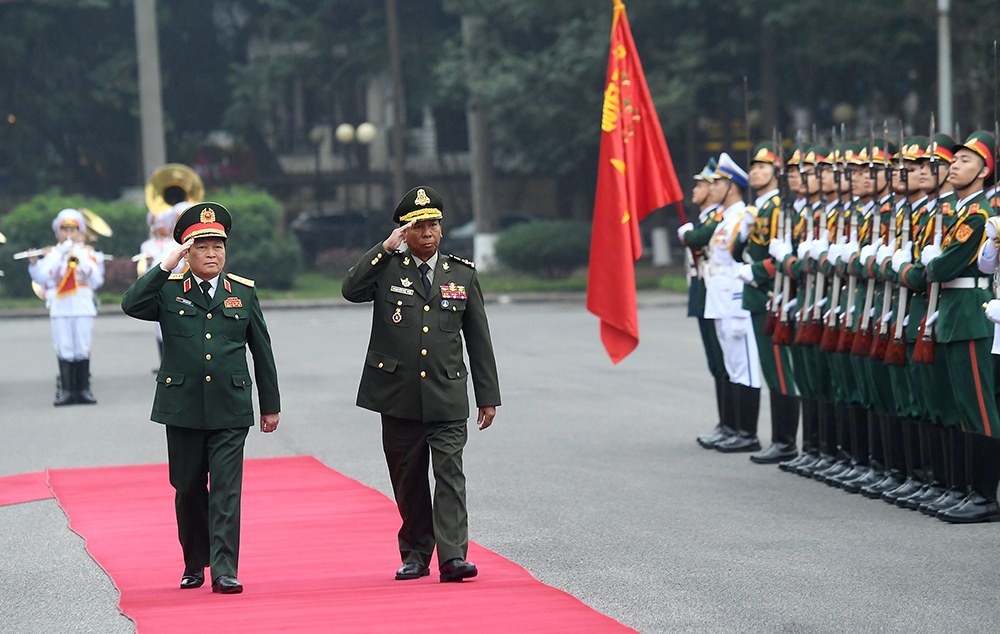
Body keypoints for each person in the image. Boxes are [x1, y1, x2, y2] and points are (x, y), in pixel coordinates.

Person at [342, 186, 501, 583]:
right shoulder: (387, 269)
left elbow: (478, 340)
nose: (428, 232)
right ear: (404, 232)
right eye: (418, 226)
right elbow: (351, 290)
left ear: (442, 230)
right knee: (408, 478)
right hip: (398, 395)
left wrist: (488, 396)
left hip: (447, 393)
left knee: (449, 474)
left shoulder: (461, 274)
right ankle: (415, 552)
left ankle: (452, 557)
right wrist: (384, 248)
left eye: (433, 225)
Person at [121, 202, 281, 593]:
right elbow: (130, 304)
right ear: (187, 252)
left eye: (218, 247)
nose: (212, 254)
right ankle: (195, 562)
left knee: (226, 490)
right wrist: (165, 265)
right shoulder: (168, 290)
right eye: (202, 247)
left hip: (230, 406)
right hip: (183, 407)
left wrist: (270, 405)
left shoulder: (241, 293)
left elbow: (262, 349)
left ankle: (225, 568)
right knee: (188, 488)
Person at [681, 153, 762, 452]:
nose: (712, 188)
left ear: (733, 187)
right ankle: (735, 428)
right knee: (731, 365)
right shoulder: (725, 217)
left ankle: (748, 433)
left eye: (719, 183)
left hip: (735, 300)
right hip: (718, 299)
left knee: (745, 366)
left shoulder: (743, 216)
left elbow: (741, 256)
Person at [677, 159, 733, 448]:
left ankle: (731, 424)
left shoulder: (717, 219)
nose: (695, 189)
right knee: (715, 362)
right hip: (704, 295)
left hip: (716, 295)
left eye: (701, 185)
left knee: (723, 361)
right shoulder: (707, 218)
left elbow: (697, 239)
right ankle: (725, 422)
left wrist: (687, 235)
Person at [33, 208, 105, 406]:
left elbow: (97, 279)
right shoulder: (53, 254)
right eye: (65, 230)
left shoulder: (89, 253)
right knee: (64, 348)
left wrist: (77, 255)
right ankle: (66, 390)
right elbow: (45, 275)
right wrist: (61, 254)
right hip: (61, 306)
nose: (69, 234)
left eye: (73, 230)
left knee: (82, 348)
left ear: (80, 232)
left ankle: (83, 389)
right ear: (59, 232)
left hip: (82, 305)